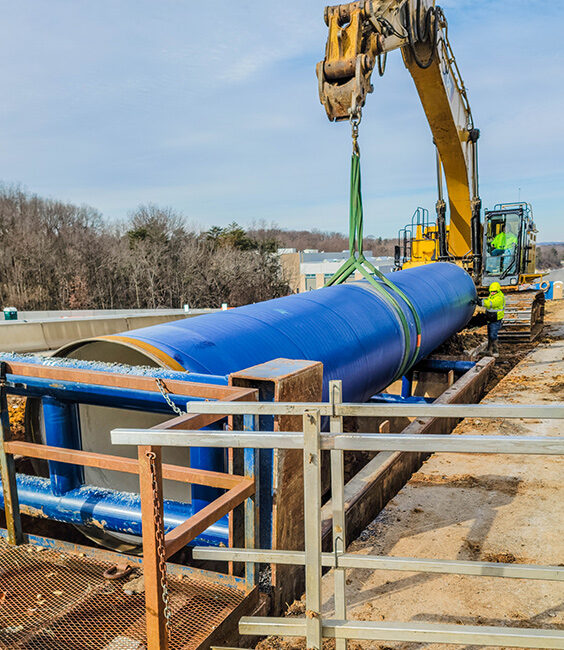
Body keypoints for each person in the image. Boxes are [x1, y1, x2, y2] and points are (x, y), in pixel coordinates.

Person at [482, 282, 505, 357]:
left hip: (496, 319)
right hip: (490, 318)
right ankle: (489, 350)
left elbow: (491, 303)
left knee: (493, 335)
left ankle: (495, 350)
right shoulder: (491, 296)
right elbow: (488, 301)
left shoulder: (499, 297)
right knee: (489, 335)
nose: (492, 293)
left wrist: (481, 302)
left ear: (498, 291)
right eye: (491, 291)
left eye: (494, 291)